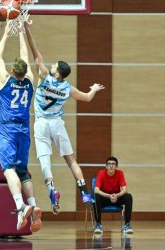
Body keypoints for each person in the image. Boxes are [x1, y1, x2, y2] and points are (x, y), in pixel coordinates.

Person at [24, 18, 105, 214]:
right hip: (57, 124)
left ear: (57, 72)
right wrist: (93, 89)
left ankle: (52, 189)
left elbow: (35, 52)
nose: (51, 65)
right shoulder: (67, 88)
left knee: (45, 161)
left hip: (41, 124)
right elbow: (86, 98)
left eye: (54, 65)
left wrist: (26, 28)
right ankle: (84, 191)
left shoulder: (44, 76)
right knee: (71, 160)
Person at [0, 21, 41, 232]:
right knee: (22, 170)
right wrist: (21, 32)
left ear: (12, 70)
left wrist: (5, 33)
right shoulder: (30, 80)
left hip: (8, 129)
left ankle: (20, 206)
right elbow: (25, 57)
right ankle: (33, 204)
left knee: (8, 168)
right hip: (24, 129)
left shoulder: (5, 80)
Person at [93, 156, 133, 234]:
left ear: (116, 166)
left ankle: (127, 224)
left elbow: (125, 189)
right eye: (109, 164)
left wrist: (117, 195)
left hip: (116, 198)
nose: (111, 166)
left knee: (128, 196)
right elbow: (96, 190)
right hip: (105, 198)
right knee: (96, 196)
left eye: (113, 164)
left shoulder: (120, 173)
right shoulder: (101, 173)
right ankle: (98, 224)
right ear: (106, 166)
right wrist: (109, 196)